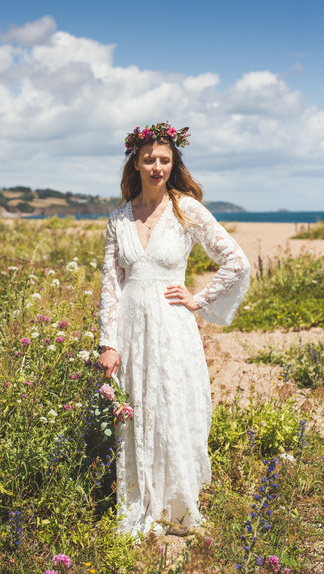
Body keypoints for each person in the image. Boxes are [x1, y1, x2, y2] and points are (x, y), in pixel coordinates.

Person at [98, 122, 250, 536]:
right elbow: (111, 284)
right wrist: (108, 342)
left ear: (173, 163)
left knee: (171, 406)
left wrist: (198, 298)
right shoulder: (118, 218)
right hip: (129, 328)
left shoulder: (187, 210)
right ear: (136, 162)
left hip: (172, 325)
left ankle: (176, 508)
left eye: (164, 160)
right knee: (135, 412)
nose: (157, 167)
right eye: (149, 159)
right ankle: (141, 503)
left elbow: (235, 260)